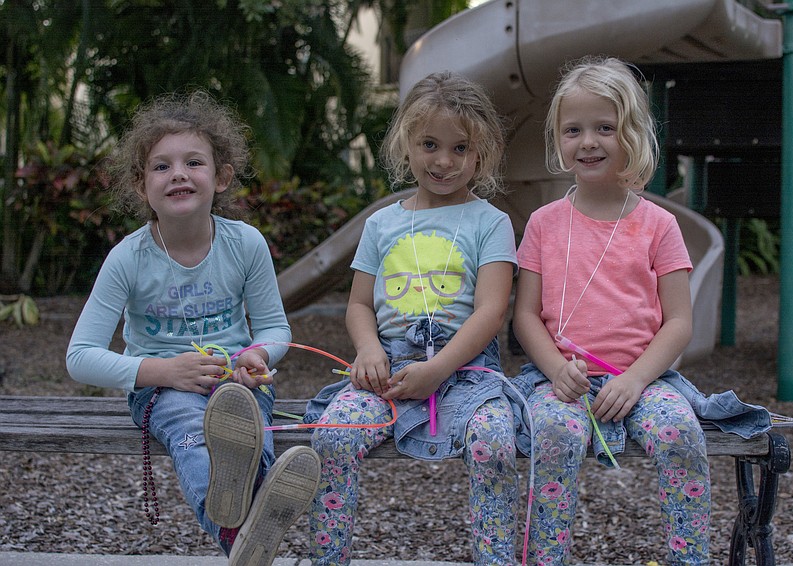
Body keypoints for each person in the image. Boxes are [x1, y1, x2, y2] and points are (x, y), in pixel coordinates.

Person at [66, 91, 320, 566]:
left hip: (238, 382)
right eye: (161, 166)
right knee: (192, 433)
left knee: (248, 434)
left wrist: (258, 356)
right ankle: (243, 528)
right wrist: (165, 372)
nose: (178, 173)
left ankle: (241, 531)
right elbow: (79, 357)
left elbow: (273, 327)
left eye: (194, 162)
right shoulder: (128, 258)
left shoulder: (245, 244)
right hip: (162, 390)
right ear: (141, 186)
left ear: (221, 177)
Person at [304, 71, 519, 565]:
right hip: (389, 371)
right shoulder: (382, 223)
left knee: (493, 442)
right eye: (429, 145)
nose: (443, 161)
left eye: (460, 148)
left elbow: (491, 311)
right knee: (333, 437)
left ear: (482, 152)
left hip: (467, 371)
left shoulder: (491, 222)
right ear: (406, 143)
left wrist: (439, 368)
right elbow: (359, 304)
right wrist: (368, 350)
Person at [508, 55, 712, 565]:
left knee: (681, 434)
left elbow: (679, 321)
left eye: (605, 127)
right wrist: (555, 369)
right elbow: (525, 315)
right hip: (560, 381)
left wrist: (637, 379)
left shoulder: (659, 225)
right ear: (558, 139)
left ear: (633, 134)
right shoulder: (544, 224)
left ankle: (689, 558)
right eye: (573, 130)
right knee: (553, 435)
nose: (588, 142)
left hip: (643, 379)